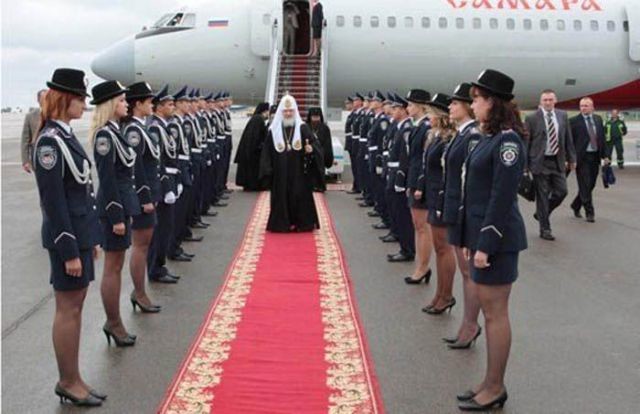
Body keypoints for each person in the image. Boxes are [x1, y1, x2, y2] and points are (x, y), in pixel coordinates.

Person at [457, 69, 527, 411]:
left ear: (493, 103)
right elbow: (474, 193)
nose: (473, 105)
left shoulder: (508, 142)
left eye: (477, 99)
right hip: (483, 236)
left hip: (498, 240)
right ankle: (488, 381)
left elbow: (501, 197)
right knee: (489, 312)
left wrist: (485, 243)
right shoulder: (489, 138)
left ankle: (496, 387)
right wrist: (470, 238)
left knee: (496, 314)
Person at [35, 68, 104, 407]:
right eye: (80, 98)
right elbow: (54, 202)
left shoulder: (65, 135)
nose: (84, 104)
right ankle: (67, 381)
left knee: (76, 308)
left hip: (80, 235)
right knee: (68, 309)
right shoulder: (50, 142)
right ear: (66, 99)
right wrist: (70, 250)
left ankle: (75, 377)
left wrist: (90, 239)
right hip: (67, 239)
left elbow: (82, 193)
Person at [90, 80, 140, 347]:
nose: (126, 104)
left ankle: (115, 321)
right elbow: (107, 179)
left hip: (123, 204)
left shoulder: (115, 132)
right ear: (110, 105)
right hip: (114, 209)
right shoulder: (105, 137)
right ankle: (113, 322)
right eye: (121, 100)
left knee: (117, 266)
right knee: (112, 267)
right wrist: (116, 216)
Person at [442, 83, 483, 349]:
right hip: (455, 206)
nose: (450, 107)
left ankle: (470, 325)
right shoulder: (461, 133)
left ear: (467, 107)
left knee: (468, 273)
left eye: (455, 103)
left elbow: (470, 178)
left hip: (463, 209)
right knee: (465, 272)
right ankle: (466, 324)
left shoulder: (472, 135)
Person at [122, 82, 163, 312]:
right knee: (140, 246)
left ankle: (139, 291)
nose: (152, 105)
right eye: (148, 101)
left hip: (150, 195)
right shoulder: (134, 131)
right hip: (142, 199)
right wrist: (145, 198)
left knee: (145, 245)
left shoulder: (141, 128)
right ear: (137, 104)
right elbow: (135, 169)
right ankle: (139, 293)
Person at [259, 94, 324, 232]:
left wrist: (311, 149)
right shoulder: (274, 130)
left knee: (299, 195)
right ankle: (282, 223)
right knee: (281, 197)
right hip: (280, 172)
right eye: (285, 111)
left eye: (291, 111)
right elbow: (266, 152)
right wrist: (267, 170)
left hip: (298, 171)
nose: (288, 114)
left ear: (295, 111)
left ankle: (301, 223)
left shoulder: (303, 128)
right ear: (281, 112)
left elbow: (315, 145)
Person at [419, 94, 458, 315]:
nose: (428, 117)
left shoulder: (447, 138)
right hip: (433, 196)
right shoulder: (434, 136)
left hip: (441, 196)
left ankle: (446, 295)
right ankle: (439, 294)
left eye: (431, 114)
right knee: (439, 248)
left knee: (444, 249)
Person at [525, 90, 575, 241]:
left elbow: (568, 138)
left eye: (550, 100)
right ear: (541, 102)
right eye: (545, 100)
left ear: (555, 100)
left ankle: (541, 213)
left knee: (562, 192)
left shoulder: (562, 115)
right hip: (539, 162)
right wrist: (525, 166)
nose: (547, 102)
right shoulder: (532, 118)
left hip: (557, 160)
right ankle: (545, 229)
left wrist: (572, 158)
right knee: (542, 196)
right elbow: (526, 142)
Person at [147, 85, 181, 284]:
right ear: (159, 107)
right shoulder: (155, 128)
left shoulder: (163, 127)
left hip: (170, 179)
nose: (173, 107)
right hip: (163, 183)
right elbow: (157, 162)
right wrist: (167, 186)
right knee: (160, 229)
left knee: (166, 227)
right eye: (169, 105)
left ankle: (159, 266)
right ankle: (155, 268)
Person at [395, 89, 433, 270]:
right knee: (417, 225)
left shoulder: (426, 128)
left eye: (410, 104)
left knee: (422, 227)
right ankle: (420, 265)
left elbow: (424, 159)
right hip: (413, 178)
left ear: (421, 106)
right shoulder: (417, 126)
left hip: (419, 181)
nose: (407, 108)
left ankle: (422, 267)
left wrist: (419, 184)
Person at [167, 86, 197, 262]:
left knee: (182, 210)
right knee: (176, 214)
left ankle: (177, 244)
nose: (188, 105)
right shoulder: (174, 125)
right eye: (185, 102)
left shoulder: (179, 122)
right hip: (178, 170)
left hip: (184, 167)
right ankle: (173, 247)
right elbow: (174, 154)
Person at [387, 94, 417, 260]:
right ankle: (403, 244)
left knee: (403, 213)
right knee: (396, 209)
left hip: (399, 172)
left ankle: (407, 249)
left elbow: (406, 156)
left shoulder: (407, 128)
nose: (392, 111)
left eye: (396, 108)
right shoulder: (400, 127)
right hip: (394, 170)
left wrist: (400, 177)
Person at [569, 97, 608, 223]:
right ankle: (589, 212)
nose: (583, 108)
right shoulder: (574, 121)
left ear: (592, 107)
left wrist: (605, 155)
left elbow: (602, 139)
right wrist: (570, 159)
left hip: (595, 156)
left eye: (586, 106)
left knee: (591, 184)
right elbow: (569, 142)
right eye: (581, 106)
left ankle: (576, 204)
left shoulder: (598, 119)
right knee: (585, 184)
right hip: (582, 158)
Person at [235, 103, 270, 191]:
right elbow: (256, 137)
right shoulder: (259, 120)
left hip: (251, 150)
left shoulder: (256, 119)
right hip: (253, 151)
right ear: (264, 111)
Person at [306, 106, 335, 192]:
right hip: (309, 153)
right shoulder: (306, 127)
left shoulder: (325, 128)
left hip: (321, 154)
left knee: (320, 170)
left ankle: (320, 186)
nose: (315, 119)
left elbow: (328, 143)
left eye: (317, 117)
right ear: (310, 117)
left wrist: (327, 155)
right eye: (313, 117)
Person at [21, 89, 47, 173]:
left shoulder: (56, 115)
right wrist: (25, 161)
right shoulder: (30, 116)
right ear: (38, 100)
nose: (46, 101)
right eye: (44, 98)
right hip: (37, 157)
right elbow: (25, 140)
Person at [346, 93, 364, 194]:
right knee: (355, 167)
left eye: (356, 100)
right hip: (353, 143)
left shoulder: (360, 115)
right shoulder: (355, 114)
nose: (353, 102)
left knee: (358, 167)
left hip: (357, 144)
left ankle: (359, 187)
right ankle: (357, 186)